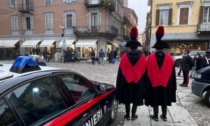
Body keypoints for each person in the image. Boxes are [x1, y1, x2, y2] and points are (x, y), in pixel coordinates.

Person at [145, 26, 177, 121]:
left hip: (153, 83)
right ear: (163, 48)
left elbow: (147, 72)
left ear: (155, 48)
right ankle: (164, 116)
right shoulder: (169, 58)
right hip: (166, 84)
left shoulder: (150, 58)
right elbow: (172, 74)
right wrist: (172, 85)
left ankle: (155, 115)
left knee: (155, 99)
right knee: (164, 100)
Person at [116, 26, 147, 120]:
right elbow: (145, 72)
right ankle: (133, 115)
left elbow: (120, 72)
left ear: (129, 47)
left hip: (126, 83)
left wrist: (119, 85)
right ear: (137, 47)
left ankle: (127, 115)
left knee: (127, 99)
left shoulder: (124, 57)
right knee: (135, 99)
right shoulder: (142, 57)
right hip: (138, 83)